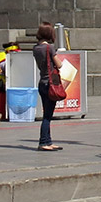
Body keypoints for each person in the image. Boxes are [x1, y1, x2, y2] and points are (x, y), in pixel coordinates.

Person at [34, 21, 63, 151]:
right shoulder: (49, 48)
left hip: (42, 82)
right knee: (47, 116)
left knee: (47, 113)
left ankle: (48, 140)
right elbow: (59, 64)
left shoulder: (36, 48)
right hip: (50, 84)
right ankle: (43, 142)